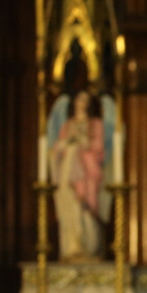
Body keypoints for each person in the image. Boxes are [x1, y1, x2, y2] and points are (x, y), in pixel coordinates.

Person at [49, 89, 106, 260]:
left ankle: (88, 245)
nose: (83, 103)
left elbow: (98, 148)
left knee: (84, 206)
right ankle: (71, 246)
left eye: (86, 100)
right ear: (75, 102)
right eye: (80, 99)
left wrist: (84, 143)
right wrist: (65, 144)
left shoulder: (95, 124)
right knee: (69, 203)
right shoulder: (67, 125)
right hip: (68, 169)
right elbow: (57, 148)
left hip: (86, 171)